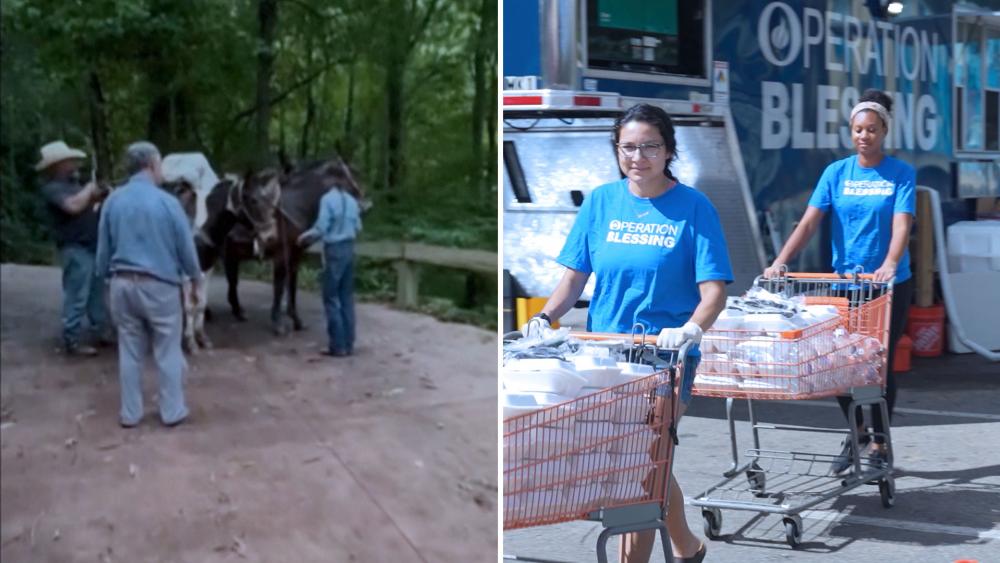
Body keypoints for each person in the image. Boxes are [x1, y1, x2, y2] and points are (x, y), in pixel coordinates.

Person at [524, 103, 732, 563]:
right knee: (646, 466)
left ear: (669, 150)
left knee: (634, 470)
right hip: (602, 359)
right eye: (629, 147)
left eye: (650, 146)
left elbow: (713, 293)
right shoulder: (601, 201)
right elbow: (574, 278)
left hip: (663, 361)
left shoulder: (694, 208)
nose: (638, 156)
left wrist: (691, 330)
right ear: (617, 150)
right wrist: (545, 318)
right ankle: (688, 548)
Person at [763, 88, 916, 472]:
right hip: (846, 285)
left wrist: (890, 263)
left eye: (872, 130)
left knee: (878, 365)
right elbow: (810, 221)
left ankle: (879, 444)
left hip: (887, 285)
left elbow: (902, 223)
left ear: (884, 132)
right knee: (841, 365)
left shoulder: (900, 173)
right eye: (858, 130)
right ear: (851, 133)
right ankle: (857, 430)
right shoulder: (836, 173)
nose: (865, 136)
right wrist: (780, 262)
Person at [96, 142, 202, 428]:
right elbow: (186, 249)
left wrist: (105, 282)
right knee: (167, 348)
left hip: (121, 283)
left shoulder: (113, 201)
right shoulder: (168, 203)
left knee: (129, 349)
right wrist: (195, 278)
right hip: (160, 286)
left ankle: (130, 414)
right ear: (152, 165)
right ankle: (172, 411)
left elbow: (103, 252)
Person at [35, 140, 110, 356]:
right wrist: (89, 189)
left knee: (97, 293)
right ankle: (72, 340)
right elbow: (73, 206)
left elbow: (88, 202)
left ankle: (100, 332)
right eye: (69, 160)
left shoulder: (73, 186)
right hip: (75, 247)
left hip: (92, 246)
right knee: (77, 295)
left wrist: (100, 192)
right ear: (58, 165)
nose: (74, 163)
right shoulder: (53, 189)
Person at [296, 185, 362, 357]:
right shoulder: (352, 200)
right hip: (349, 248)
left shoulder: (327, 199)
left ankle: (337, 346)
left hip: (334, 249)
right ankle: (349, 343)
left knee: (331, 297)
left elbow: (321, 228)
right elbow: (358, 227)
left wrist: (303, 236)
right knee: (346, 297)